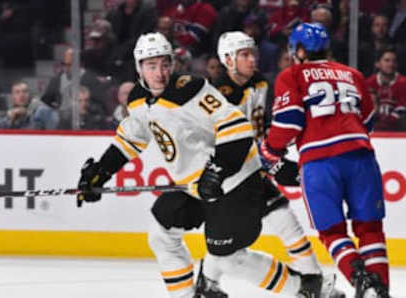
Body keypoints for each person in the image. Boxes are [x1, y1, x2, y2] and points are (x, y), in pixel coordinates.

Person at [75, 32, 337, 298]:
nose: (160, 73)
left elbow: (236, 124)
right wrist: (100, 172)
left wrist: (217, 170)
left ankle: (305, 288)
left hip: (236, 182)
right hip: (195, 187)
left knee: (226, 257)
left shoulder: (191, 89)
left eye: (165, 64)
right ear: (138, 67)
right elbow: (131, 138)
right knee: (161, 236)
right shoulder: (138, 99)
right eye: (151, 66)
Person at [260, 23, 391, 298]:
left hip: (320, 163)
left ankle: (360, 281)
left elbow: (289, 121)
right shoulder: (352, 74)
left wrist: (271, 150)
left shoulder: (292, 74)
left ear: (299, 50)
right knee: (370, 228)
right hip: (361, 157)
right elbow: (367, 120)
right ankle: (378, 291)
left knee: (331, 231)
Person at [214, 31, 344, 298]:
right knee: (227, 243)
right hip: (230, 178)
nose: (253, 60)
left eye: (254, 54)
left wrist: (270, 157)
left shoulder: (260, 83)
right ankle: (314, 284)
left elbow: (259, 130)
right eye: (245, 55)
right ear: (228, 60)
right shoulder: (218, 95)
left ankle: (314, 283)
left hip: (251, 171)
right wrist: (269, 164)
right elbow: (227, 144)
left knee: (278, 220)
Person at [366, 47, 406, 131]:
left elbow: (402, 112)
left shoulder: (403, 83)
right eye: (387, 60)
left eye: (394, 61)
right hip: (374, 129)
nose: (391, 64)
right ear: (377, 63)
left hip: (398, 130)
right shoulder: (369, 83)